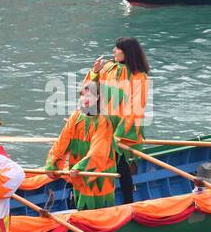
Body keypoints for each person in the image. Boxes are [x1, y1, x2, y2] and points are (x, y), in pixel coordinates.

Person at [87, 37, 150, 203]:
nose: (114, 51)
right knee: (99, 160)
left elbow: (136, 108)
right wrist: (94, 71)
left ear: (127, 52)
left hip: (123, 129)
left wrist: (118, 135)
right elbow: (92, 91)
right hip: (103, 124)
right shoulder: (108, 67)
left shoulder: (139, 77)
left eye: (117, 49)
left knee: (121, 165)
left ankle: (128, 201)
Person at [44, 78, 116, 210]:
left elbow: (98, 151)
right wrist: (52, 163)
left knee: (98, 205)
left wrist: (81, 168)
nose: (85, 99)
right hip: (78, 172)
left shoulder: (103, 121)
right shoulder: (76, 116)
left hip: (98, 171)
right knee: (81, 200)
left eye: (89, 95)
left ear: (98, 97)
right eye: (82, 95)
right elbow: (63, 142)